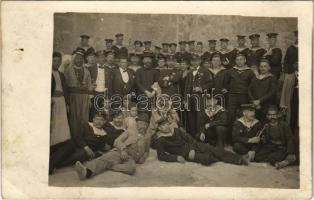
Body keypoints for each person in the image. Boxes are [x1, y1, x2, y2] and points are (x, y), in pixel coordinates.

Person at [74, 112, 151, 180]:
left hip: (130, 158)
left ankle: (108, 165)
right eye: (141, 123)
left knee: (131, 169)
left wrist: (143, 157)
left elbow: (147, 151)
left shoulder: (147, 137)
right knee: (106, 158)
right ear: (136, 123)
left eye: (145, 125)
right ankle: (87, 171)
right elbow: (117, 141)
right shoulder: (129, 131)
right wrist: (123, 150)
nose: (143, 126)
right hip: (121, 152)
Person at [155, 119, 249, 165]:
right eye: (163, 126)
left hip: (194, 146)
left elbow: (190, 139)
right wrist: (176, 158)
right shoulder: (161, 140)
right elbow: (161, 156)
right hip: (186, 153)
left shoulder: (177, 130)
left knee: (215, 150)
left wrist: (192, 148)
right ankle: (228, 158)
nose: (166, 127)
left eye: (167, 124)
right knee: (207, 159)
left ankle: (240, 159)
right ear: (159, 128)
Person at [50, 52, 76, 174]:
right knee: (53, 125)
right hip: (52, 101)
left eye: (58, 61)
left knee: (62, 126)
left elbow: (65, 89)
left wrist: (67, 103)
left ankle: (60, 147)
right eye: (54, 61)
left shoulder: (61, 74)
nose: (56, 63)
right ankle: (52, 148)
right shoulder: (48, 73)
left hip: (61, 101)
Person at [183, 54, 214, 137]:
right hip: (190, 98)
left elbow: (211, 84)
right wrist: (185, 100)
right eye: (193, 61)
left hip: (200, 97)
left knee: (200, 117)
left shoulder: (205, 71)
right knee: (191, 116)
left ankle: (200, 136)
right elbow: (186, 87)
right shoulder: (190, 73)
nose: (195, 62)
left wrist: (201, 88)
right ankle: (193, 136)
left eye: (196, 60)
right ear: (191, 62)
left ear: (200, 61)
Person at [224, 53, 255, 134]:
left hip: (244, 97)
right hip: (232, 96)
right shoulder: (230, 71)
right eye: (237, 60)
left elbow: (252, 86)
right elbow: (226, 83)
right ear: (235, 61)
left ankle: (243, 136)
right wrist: (228, 90)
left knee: (244, 116)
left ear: (245, 60)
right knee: (230, 117)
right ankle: (230, 139)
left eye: (241, 59)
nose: (239, 61)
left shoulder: (250, 72)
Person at [64, 49, 92, 134]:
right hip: (73, 97)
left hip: (84, 98)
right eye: (77, 58)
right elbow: (65, 86)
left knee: (84, 118)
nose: (79, 60)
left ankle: (83, 136)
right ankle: (74, 137)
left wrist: (89, 99)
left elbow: (89, 85)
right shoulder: (68, 70)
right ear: (74, 59)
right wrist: (67, 101)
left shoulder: (86, 71)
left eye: (81, 59)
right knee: (74, 119)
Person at [280, 30, 298, 126]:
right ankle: (290, 124)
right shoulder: (291, 49)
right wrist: (293, 67)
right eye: (297, 35)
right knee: (291, 102)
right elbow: (286, 64)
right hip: (292, 77)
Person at [89, 50, 114, 121]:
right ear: (97, 58)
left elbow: (111, 85)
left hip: (105, 94)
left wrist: (109, 97)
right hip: (95, 93)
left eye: (103, 57)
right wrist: (90, 94)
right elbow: (88, 83)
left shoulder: (109, 70)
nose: (102, 59)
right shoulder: (91, 69)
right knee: (94, 113)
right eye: (100, 57)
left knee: (104, 114)